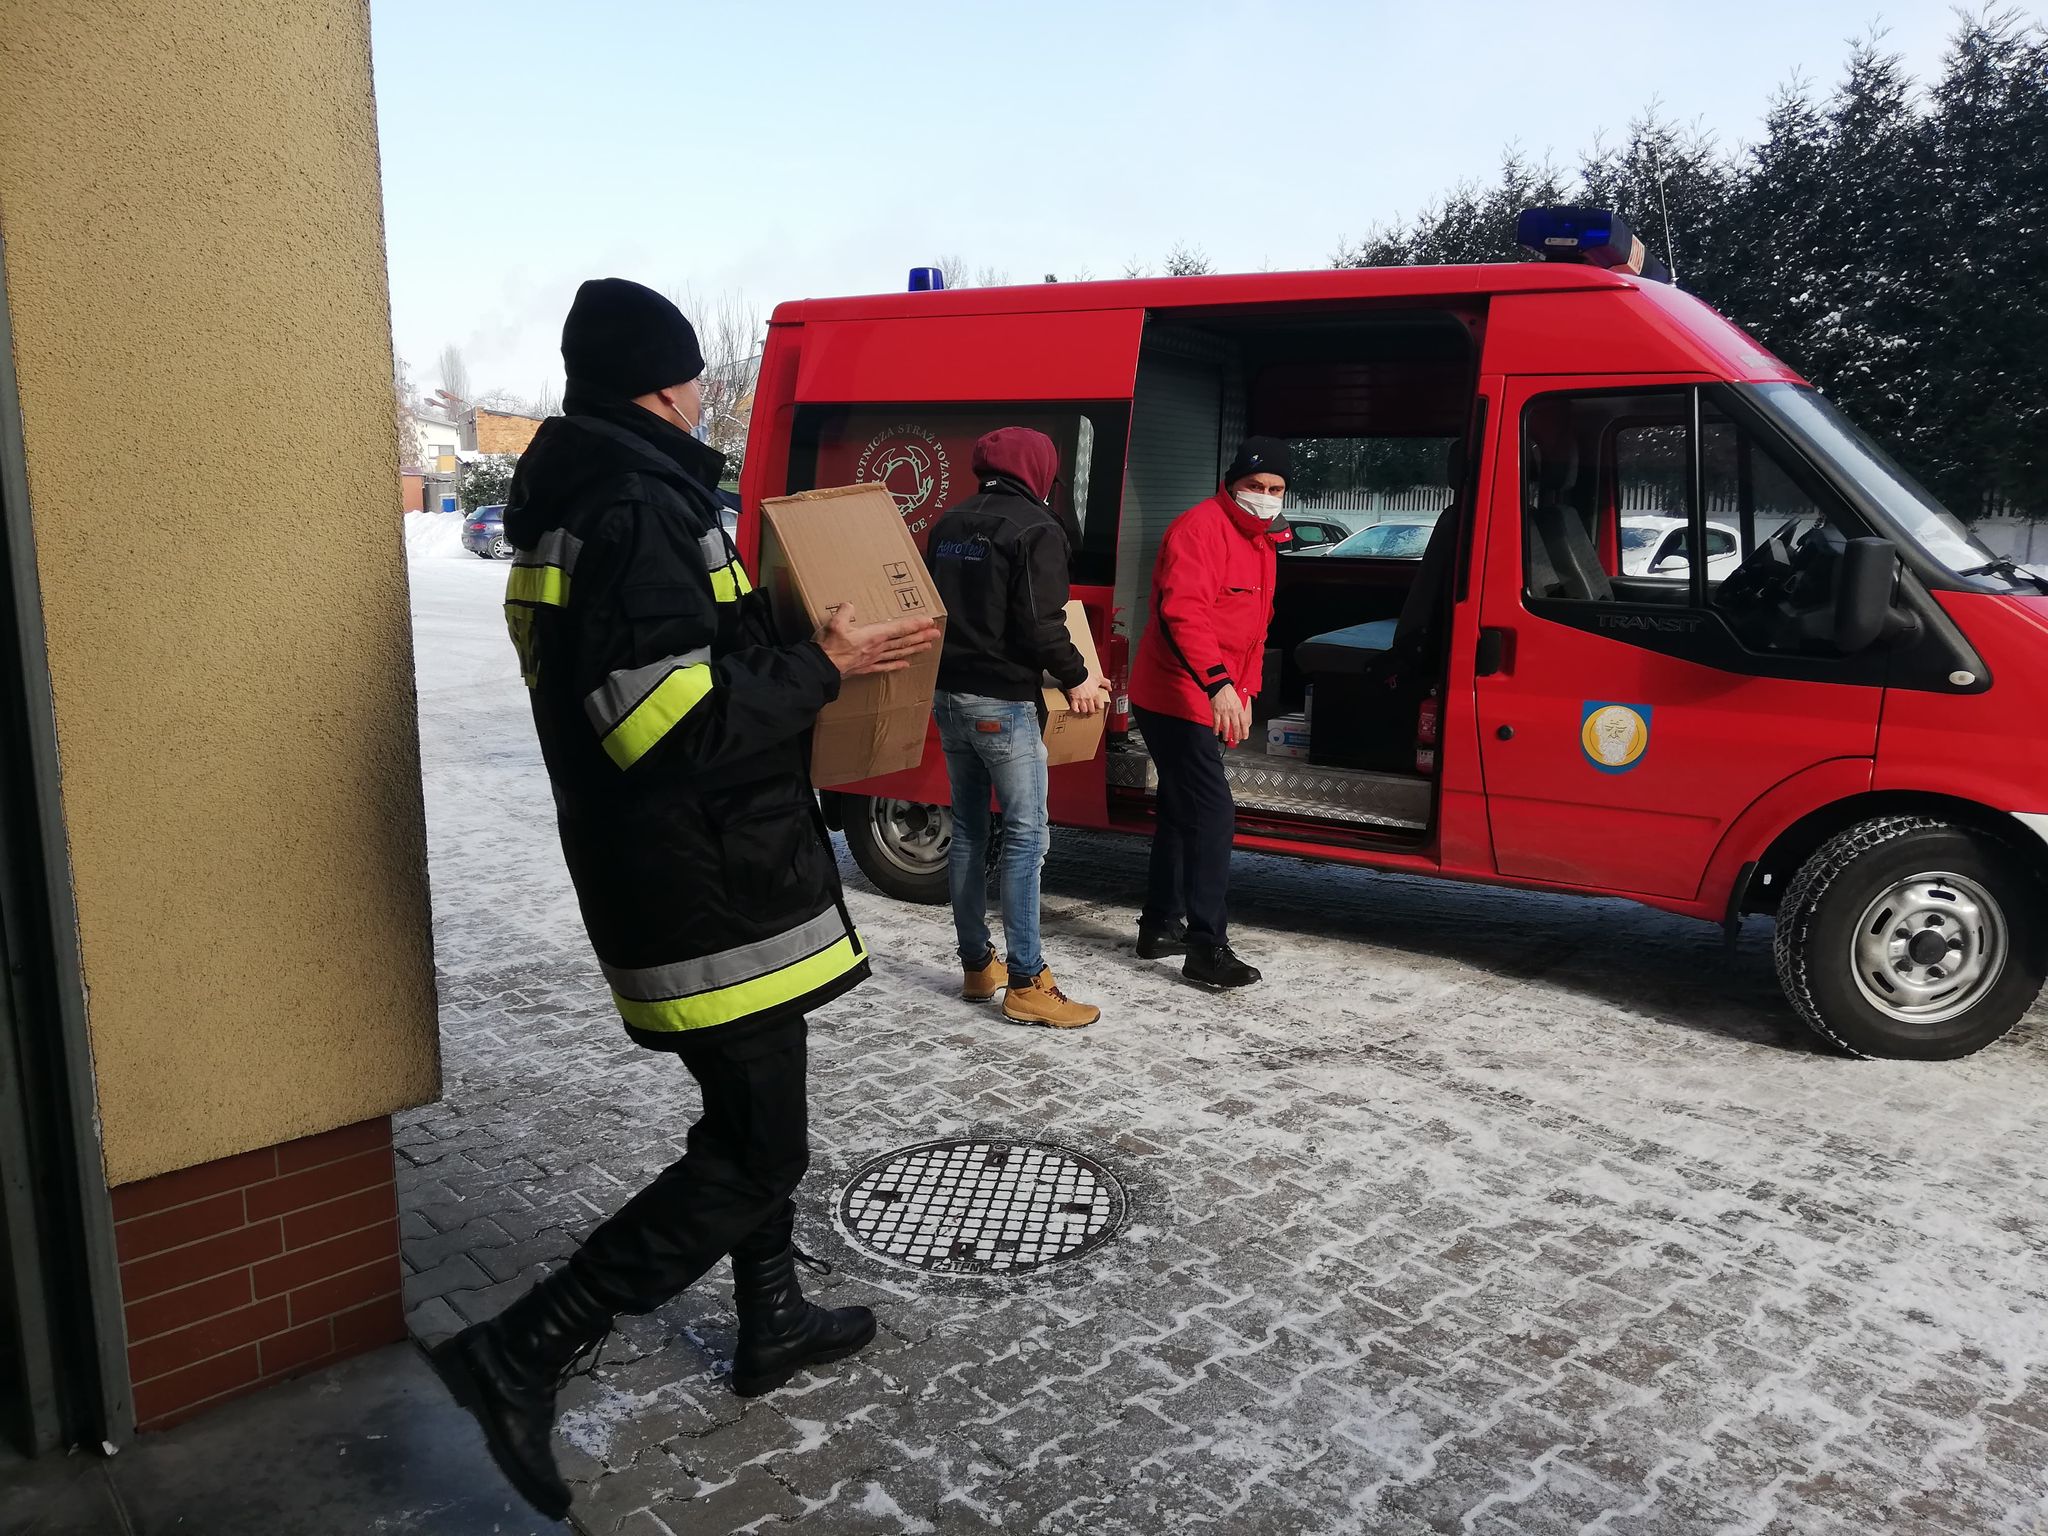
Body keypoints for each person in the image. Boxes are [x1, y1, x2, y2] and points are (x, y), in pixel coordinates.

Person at [434, 278, 936, 1520]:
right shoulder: (634, 502)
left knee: (753, 1117)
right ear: (665, 384)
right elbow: (658, 719)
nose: (707, 391)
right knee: (758, 1147)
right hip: (702, 884)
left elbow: (671, 664)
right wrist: (819, 664)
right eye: (694, 375)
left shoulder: (601, 489)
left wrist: (776, 633)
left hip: (708, 871)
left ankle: (768, 1322)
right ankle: (522, 1350)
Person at [925, 428, 1107, 1028]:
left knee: (973, 834)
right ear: (1040, 468)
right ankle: (1028, 982)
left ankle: (978, 966)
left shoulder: (949, 522)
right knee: (1028, 838)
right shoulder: (1036, 527)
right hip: (1002, 703)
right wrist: (1079, 677)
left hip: (947, 697)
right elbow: (1040, 623)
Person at [1126, 436, 1293, 989]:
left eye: (1275, 489)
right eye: (1254, 487)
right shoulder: (1201, 528)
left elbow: (1253, 630)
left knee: (1181, 808)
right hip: (1177, 692)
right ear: (1232, 484)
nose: (1265, 498)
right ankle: (1206, 948)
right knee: (1212, 814)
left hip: (1214, 691)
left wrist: (1245, 690)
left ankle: (1159, 925)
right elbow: (1184, 614)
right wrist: (1219, 684)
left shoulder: (1263, 542)